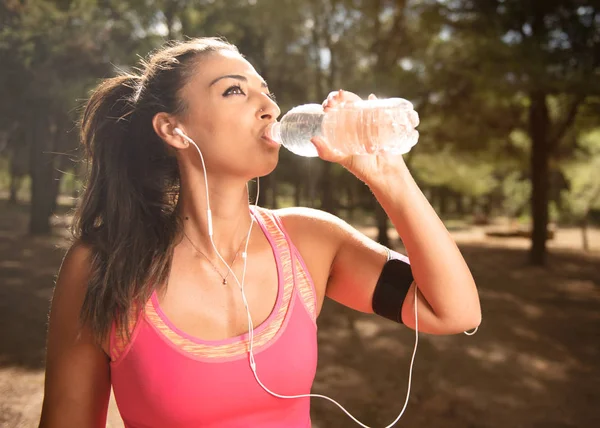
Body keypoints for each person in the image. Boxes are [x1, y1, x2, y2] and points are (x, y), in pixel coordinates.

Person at [39, 37, 481, 428]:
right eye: (235, 90)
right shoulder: (103, 266)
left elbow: (455, 313)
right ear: (173, 129)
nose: (270, 106)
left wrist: (388, 175)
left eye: (266, 91)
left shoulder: (311, 240)